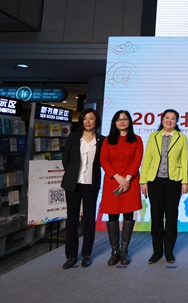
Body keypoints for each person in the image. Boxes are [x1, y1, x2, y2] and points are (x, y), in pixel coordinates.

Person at [140, 109, 188, 264]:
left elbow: (185, 160)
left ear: (176, 121)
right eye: (167, 118)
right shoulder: (153, 136)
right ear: (162, 120)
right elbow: (147, 159)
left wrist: (185, 181)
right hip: (154, 181)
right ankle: (157, 251)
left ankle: (169, 251)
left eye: (173, 118)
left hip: (173, 181)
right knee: (156, 217)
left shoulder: (181, 137)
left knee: (171, 217)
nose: (169, 121)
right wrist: (143, 181)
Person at [61, 108, 104, 269]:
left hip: (91, 184)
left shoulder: (102, 140)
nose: (87, 121)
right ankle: (71, 256)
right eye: (85, 118)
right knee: (71, 220)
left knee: (89, 220)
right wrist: (72, 174)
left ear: (96, 121)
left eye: (91, 118)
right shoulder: (73, 137)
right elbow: (66, 160)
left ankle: (86, 254)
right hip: (73, 184)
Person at [100, 110, 143, 266]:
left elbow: (137, 160)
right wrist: (118, 177)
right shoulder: (107, 140)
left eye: (125, 119)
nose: (122, 122)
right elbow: (104, 160)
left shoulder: (137, 139)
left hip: (131, 182)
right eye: (118, 119)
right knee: (112, 215)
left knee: (128, 215)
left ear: (130, 121)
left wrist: (128, 178)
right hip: (113, 182)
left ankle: (124, 251)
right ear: (114, 123)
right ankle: (114, 251)